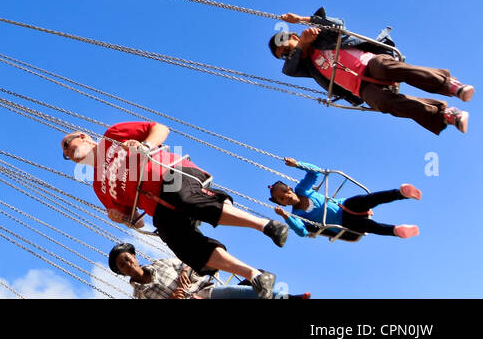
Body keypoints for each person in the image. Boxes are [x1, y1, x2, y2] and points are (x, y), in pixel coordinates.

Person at [63, 121, 288, 298]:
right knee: (181, 245)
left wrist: (144, 146)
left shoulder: (112, 136)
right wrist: (119, 217)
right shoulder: (98, 185)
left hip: (169, 174)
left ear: (83, 136)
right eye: (65, 155)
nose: (67, 153)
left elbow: (160, 128)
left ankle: (266, 225)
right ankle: (255, 276)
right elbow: (136, 221)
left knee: (187, 200)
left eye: (67, 145)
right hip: (156, 206)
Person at [271, 8, 470, 135]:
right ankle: (445, 114)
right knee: (383, 103)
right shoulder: (305, 66)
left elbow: (338, 24)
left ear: (294, 36)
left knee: (387, 68)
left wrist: (303, 20)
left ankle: (449, 85)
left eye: (287, 48)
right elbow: (288, 70)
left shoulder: (321, 37)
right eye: (283, 55)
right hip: (360, 87)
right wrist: (301, 47)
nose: (287, 54)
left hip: (369, 63)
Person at [269, 157, 421, 241]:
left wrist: (298, 165)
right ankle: (397, 231)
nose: (286, 198)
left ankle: (401, 193)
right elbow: (302, 232)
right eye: (282, 199)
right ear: (281, 204)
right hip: (343, 223)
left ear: (289, 188)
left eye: (285, 193)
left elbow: (315, 173)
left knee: (367, 199)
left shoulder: (302, 189)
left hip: (344, 206)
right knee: (370, 226)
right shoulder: (297, 215)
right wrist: (286, 217)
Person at [107, 243, 307, 299]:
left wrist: (185, 271)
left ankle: (286, 297)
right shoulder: (139, 296)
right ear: (121, 273)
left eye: (127, 259)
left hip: (202, 290)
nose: (128, 264)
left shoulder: (161, 263)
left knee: (240, 294)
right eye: (122, 265)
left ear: (134, 257)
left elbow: (189, 262)